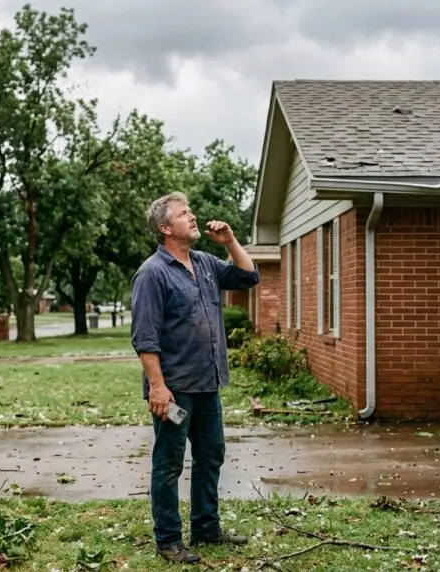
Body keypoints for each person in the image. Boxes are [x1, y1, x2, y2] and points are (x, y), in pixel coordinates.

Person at [130, 192, 261, 564]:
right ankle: (169, 540)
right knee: (169, 463)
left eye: (190, 210)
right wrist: (158, 386)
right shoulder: (152, 273)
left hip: (208, 385)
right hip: (175, 393)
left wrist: (231, 241)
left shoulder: (204, 262)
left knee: (211, 456)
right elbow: (145, 337)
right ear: (165, 227)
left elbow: (250, 276)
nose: (192, 216)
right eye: (183, 213)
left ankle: (206, 527)